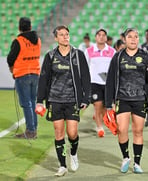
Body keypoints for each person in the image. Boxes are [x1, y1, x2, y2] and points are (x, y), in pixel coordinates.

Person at [36, 25, 91, 176]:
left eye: (67, 34)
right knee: (59, 132)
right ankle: (62, 165)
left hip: (73, 99)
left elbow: (86, 77)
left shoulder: (78, 55)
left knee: (72, 133)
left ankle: (73, 153)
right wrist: (40, 100)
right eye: (62, 35)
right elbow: (44, 79)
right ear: (56, 38)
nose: (65, 37)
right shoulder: (50, 56)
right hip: (54, 100)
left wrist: (86, 97)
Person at [105, 28, 148, 173]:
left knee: (138, 131)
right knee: (122, 129)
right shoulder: (118, 57)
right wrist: (108, 103)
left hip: (140, 99)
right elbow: (110, 80)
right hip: (122, 98)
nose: (133, 39)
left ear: (138, 39)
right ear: (125, 39)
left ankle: (137, 163)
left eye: (136, 37)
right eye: (130, 37)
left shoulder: (147, 57)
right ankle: (126, 157)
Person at [7, 17, 41, 139]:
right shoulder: (38, 40)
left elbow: (10, 58)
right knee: (32, 102)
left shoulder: (18, 41)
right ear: (30, 27)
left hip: (22, 75)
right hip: (35, 74)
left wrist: (12, 70)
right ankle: (34, 129)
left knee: (26, 103)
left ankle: (30, 131)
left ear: (19, 28)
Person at [85, 29, 116, 137]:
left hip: (108, 83)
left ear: (106, 38)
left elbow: (115, 68)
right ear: (96, 37)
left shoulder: (112, 51)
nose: (101, 37)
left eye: (104, 35)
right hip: (94, 82)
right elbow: (85, 68)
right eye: (99, 35)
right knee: (97, 105)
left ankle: (102, 120)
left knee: (104, 107)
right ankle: (99, 127)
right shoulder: (89, 51)